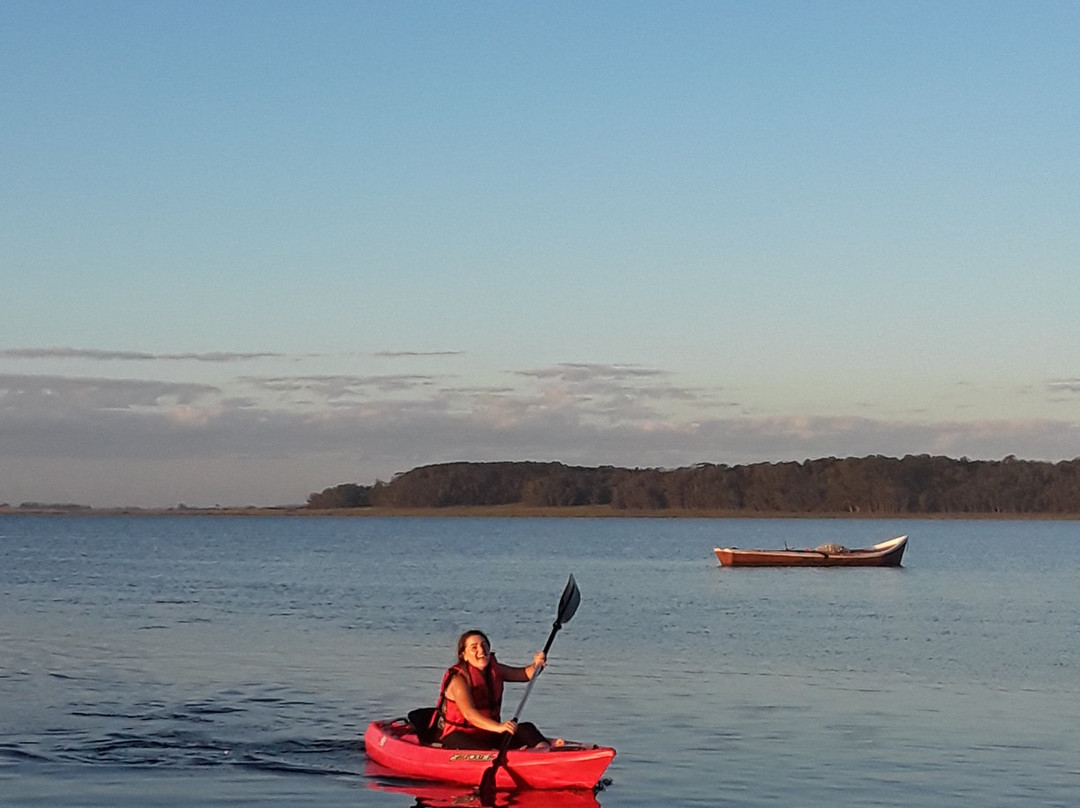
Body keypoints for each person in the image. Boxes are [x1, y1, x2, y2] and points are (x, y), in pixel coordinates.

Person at [432, 629, 556, 750]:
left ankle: (543, 749)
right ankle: (499, 754)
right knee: (474, 744)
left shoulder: (496, 671)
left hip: (487, 733)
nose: (481, 650)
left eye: (484, 645)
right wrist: (499, 727)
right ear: (464, 655)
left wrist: (537, 665)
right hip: (458, 735)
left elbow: (525, 674)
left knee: (525, 728)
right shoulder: (458, 680)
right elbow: (470, 714)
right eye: (474, 647)